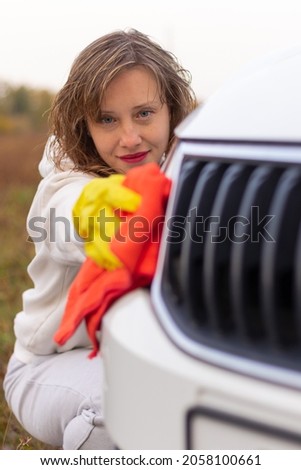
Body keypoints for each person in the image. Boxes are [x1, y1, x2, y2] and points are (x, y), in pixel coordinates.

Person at [3, 28, 197, 450]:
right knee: (122, 405)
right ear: (84, 125)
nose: (129, 137)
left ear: (171, 109)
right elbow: (68, 216)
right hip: (49, 368)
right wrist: (105, 216)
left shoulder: (183, 174)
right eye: (107, 119)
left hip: (149, 359)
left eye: (144, 113)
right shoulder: (66, 182)